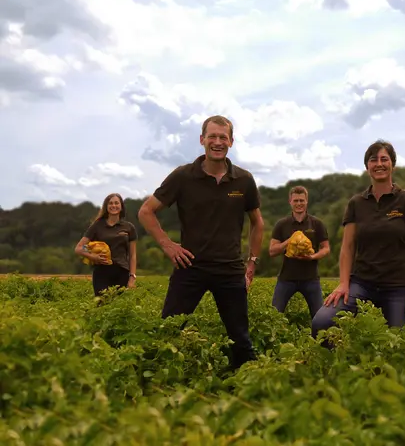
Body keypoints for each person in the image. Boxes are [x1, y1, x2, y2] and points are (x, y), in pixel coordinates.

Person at [137, 114, 264, 371]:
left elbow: (257, 223)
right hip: (190, 267)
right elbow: (145, 211)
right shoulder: (183, 176)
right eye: (212, 136)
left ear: (231, 142)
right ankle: (155, 381)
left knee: (240, 339)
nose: (217, 142)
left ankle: (247, 384)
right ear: (202, 139)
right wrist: (167, 244)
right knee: (168, 330)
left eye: (223, 137)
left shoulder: (243, 180)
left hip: (229, 269)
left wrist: (251, 262)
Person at [311, 140, 405, 341]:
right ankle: (337, 367)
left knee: (397, 342)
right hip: (362, 284)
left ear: (393, 165)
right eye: (373, 160)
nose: (379, 164)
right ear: (367, 167)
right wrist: (343, 283)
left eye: (384, 159)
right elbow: (347, 248)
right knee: (322, 322)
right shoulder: (356, 203)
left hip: (397, 286)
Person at [269, 185, 330, 318]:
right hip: (286, 279)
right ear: (290, 202)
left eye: (301, 200)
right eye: (296, 200)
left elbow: (326, 248)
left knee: (320, 318)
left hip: (311, 279)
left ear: (307, 201)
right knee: (274, 316)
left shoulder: (317, 224)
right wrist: (289, 241)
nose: (299, 204)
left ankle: (319, 339)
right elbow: (272, 251)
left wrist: (313, 257)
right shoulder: (282, 224)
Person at [74, 193, 138, 297]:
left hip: (122, 272)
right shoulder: (97, 225)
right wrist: (93, 257)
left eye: (116, 203)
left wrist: (132, 277)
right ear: (106, 207)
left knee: (119, 307)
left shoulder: (129, 227)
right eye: (110, 203)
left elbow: (133, 255)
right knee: (102, 304)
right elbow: (78, 248)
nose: (114, 206)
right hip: (102, 272)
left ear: (121, 206)